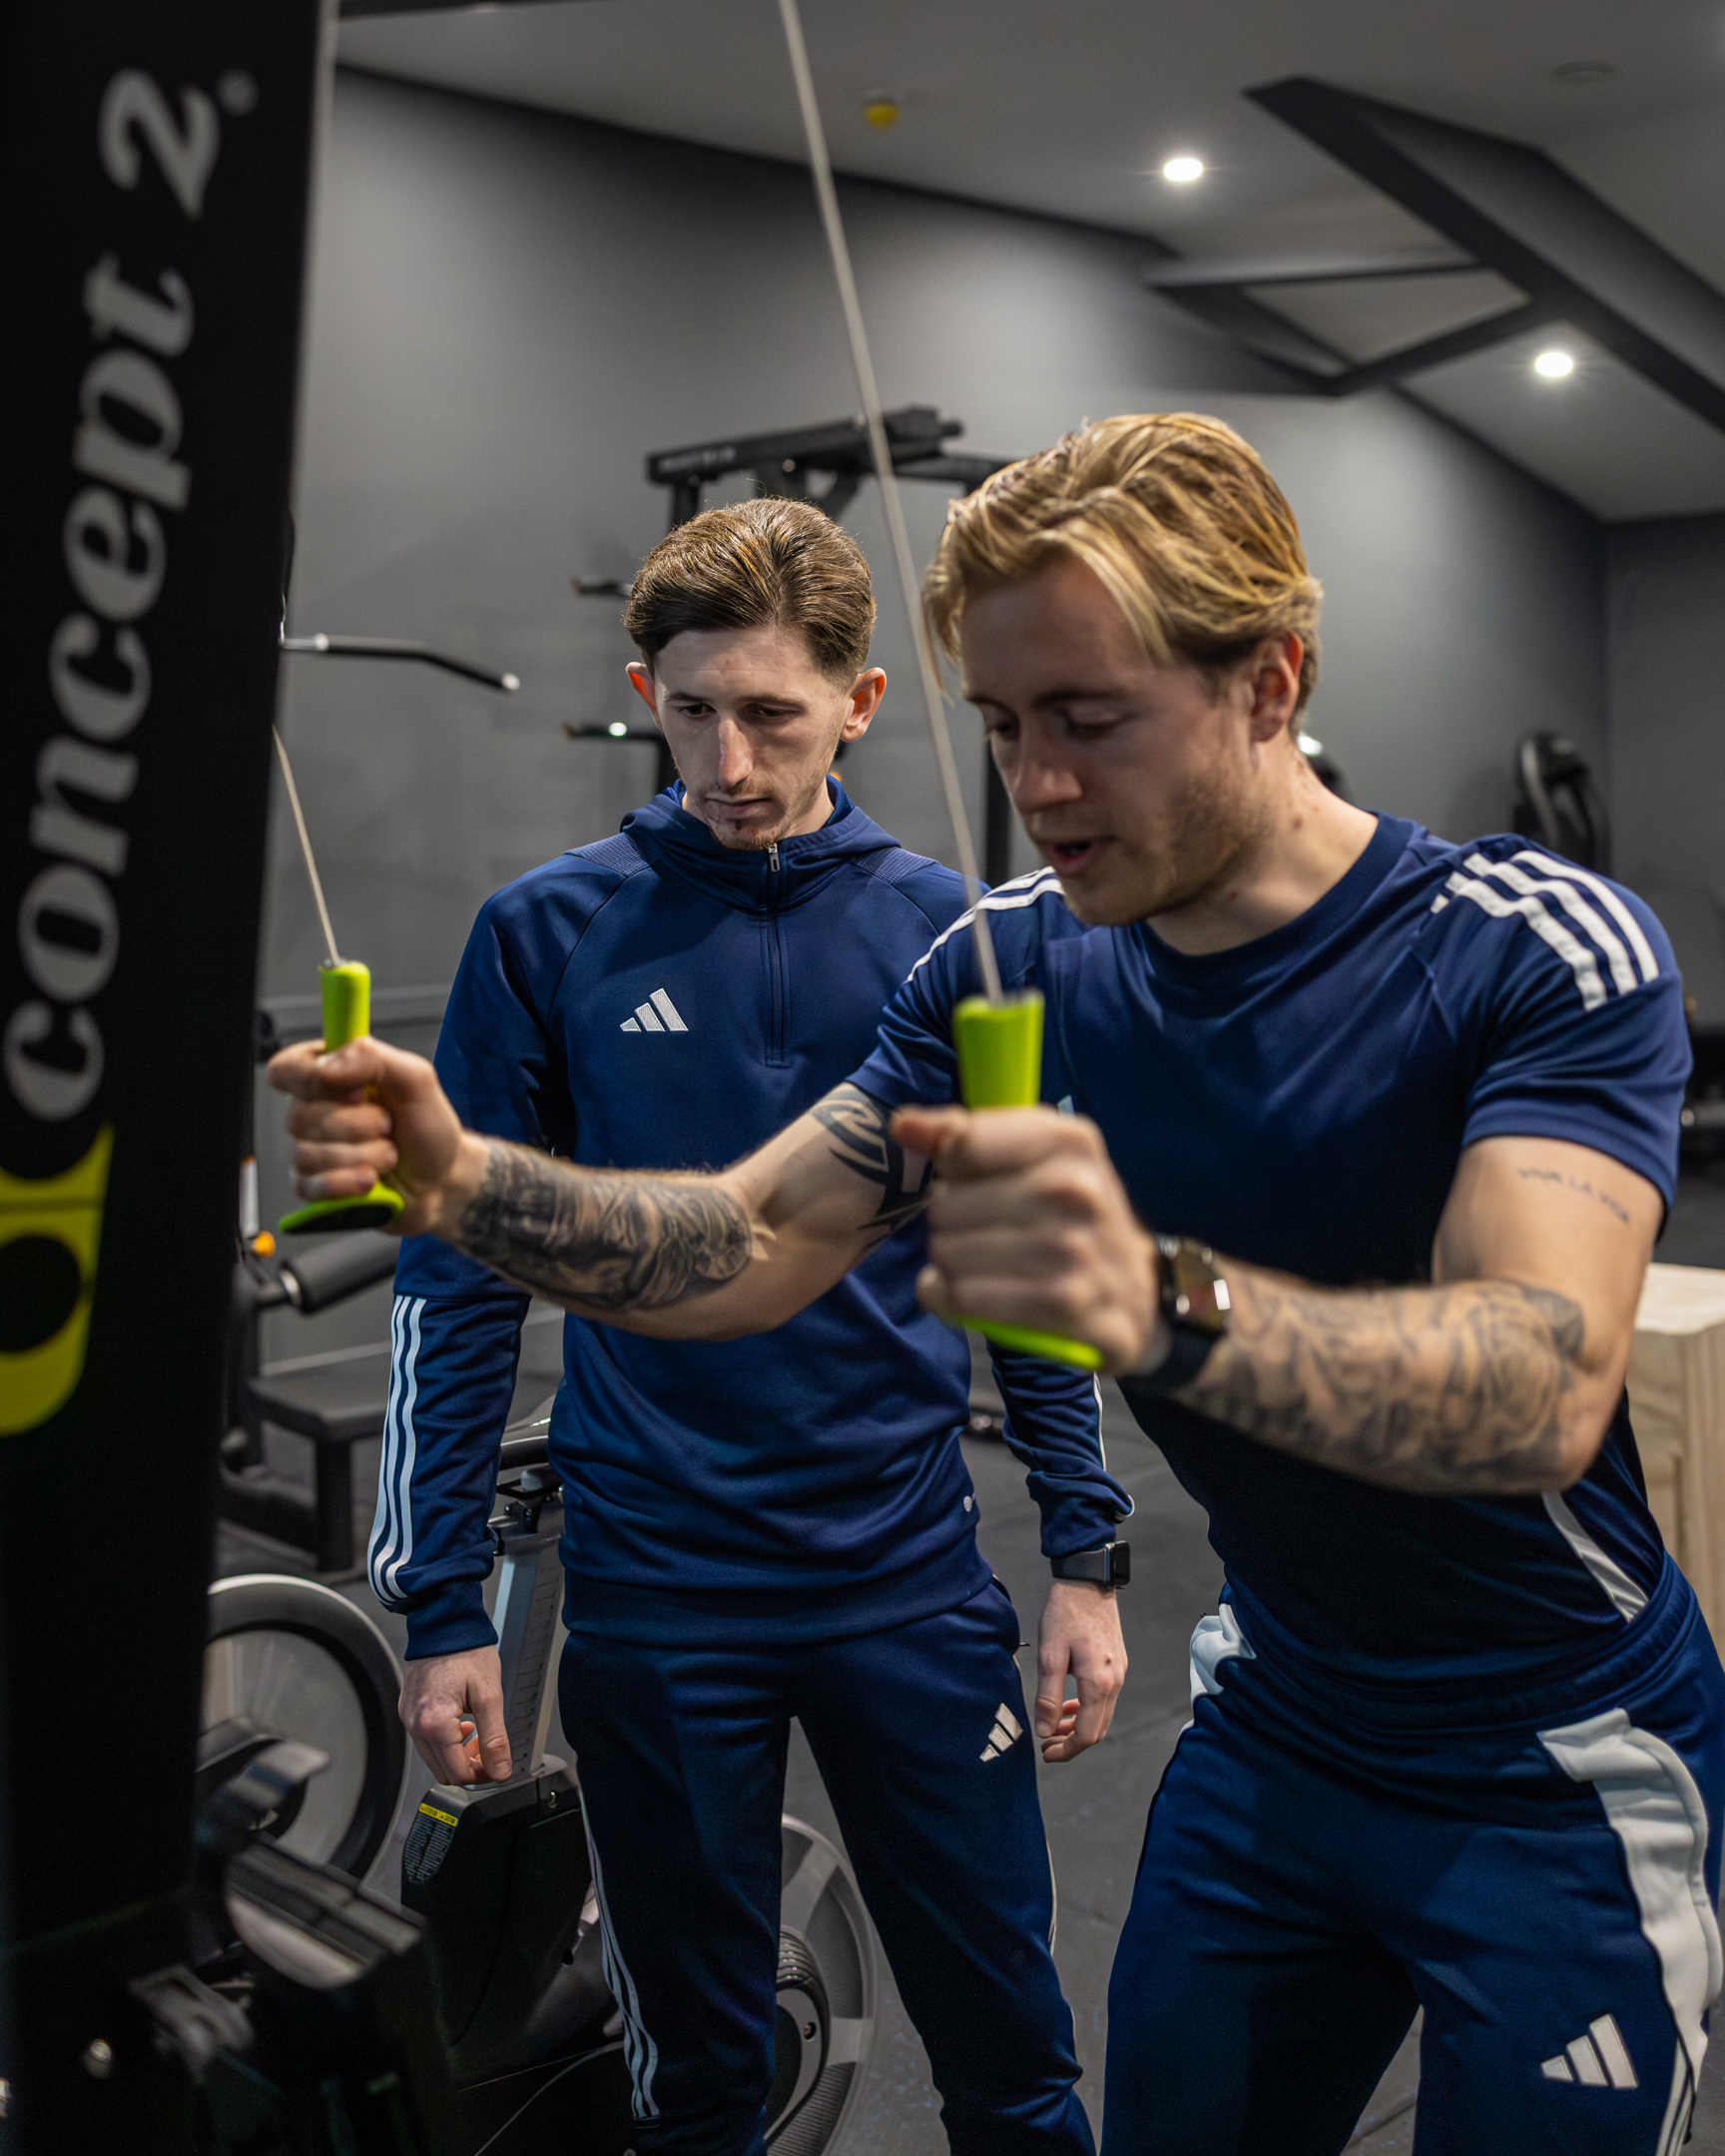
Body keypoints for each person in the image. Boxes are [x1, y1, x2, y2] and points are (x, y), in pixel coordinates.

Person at [274, 414, 1722, 2156]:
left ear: (1272, 681)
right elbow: (746, 1240)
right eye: (1006, 727)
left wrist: (1147, 1322)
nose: (1035, 785)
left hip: (1549, 1754)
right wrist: (469, 1180)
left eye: (1088, 722)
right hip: (1272, 1727)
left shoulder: (1525, 944)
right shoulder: (1003, 959)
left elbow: (1541, 1384)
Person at [359, 494, 1126, 2156]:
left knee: (1015, 2057)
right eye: (689, 709)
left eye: (772, 714)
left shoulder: (963, 936)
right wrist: (437, 1609)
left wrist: (1084, 1556)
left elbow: (1031, 1263)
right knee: (696, 2080)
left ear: (858, 701)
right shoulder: (547, 935)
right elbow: (460, 1277)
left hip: (905, 1580)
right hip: (657, 1592)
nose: (726, 758)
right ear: (647, 688)